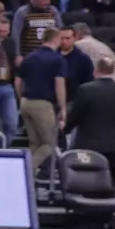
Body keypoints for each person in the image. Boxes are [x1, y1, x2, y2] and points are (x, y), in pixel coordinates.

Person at [65, 55, 115, 174]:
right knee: (110, 181)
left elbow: (75, 117)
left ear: (96, 71)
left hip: (89, 146)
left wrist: (64, 130)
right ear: (113, 71)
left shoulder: (85, 90)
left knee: (88, 180)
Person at [16, 31, 68, 175]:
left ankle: (28, 176)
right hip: (43, 104)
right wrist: (63, 108)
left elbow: (18, 81)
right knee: (50, 143)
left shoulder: (29, 57)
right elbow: (59, 84)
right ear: (56, 39)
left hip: (25, 102)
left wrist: (21, 98)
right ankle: (26, 170)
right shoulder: (57, 59)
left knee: (35, 143)